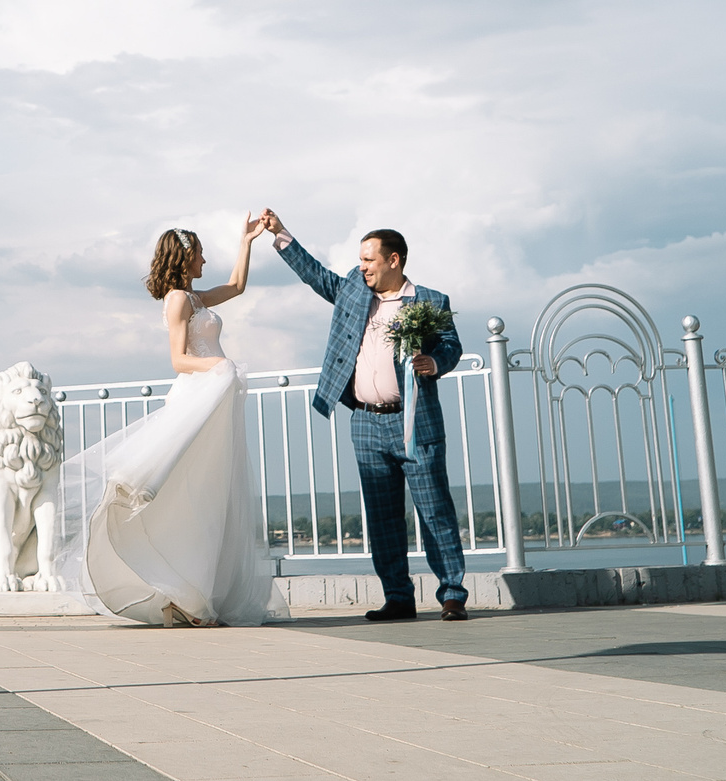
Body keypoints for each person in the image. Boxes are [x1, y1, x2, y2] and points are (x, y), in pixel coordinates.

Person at [53, 216, 276, 626]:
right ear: (186, 257)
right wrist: (220, 365)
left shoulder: (195, 298)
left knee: (208, 495)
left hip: (213, 395)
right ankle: (178, 592)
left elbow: (238, 286)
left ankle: (189, 594)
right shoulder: (177, 299)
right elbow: (178, 360)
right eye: (200, 253)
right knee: (185, 492)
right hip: (197, 396)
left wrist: (246, 242)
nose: (205, 259)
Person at [262, 210, 468, 621]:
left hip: (415, 422)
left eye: (369, 260)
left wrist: (435, 361)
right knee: (382, 517)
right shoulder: (354, 291)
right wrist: (282, 234)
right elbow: (316, 276)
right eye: (361, 260)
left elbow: (451, 346)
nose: (362, 267)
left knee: (435, 511)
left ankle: (452, 595)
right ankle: (398, 598)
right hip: (365, 422)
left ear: (394, 260)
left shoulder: (430, 300)